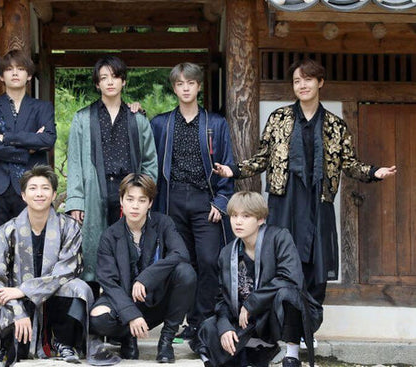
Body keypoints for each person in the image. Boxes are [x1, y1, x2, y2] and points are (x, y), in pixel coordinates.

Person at [213, 58, 396, 308]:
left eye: (307, 79)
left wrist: (374, 172)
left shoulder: (335, 125)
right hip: (284, 198)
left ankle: (308, 324)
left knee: (315, 260)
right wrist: (232, 171)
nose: (302, 85)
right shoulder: (279, 118)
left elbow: (349, 163)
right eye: (297, 81)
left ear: (320, 82)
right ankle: (283, 324)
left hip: (318, 199)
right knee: (281, 259)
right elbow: (263, 158)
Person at [0, 165, 93, 367]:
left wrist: (23, 290)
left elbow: (67, 271)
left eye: (45, 188)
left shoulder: (69, 227)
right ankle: (2, 349)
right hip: (17, 303)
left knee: (79, 288)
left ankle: (62, 343)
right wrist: (17, 308)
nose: (39, 193)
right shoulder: (7, 231)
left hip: (53, 298)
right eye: (33, 188)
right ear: (24, 195)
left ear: (53, 194)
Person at [150, 62, 235, 343]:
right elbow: (149, 162)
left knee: (209, 259)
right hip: (171, 198)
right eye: (180, 84)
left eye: (191, 83)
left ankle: (202, 321)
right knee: (180, 262)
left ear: (199, 86)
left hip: (204, 199)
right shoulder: (161, 123)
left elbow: (226, 165)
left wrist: (221, 201)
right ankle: (179, 321)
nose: (185, 88)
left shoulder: (216, 123)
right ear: (174, 88)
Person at [66, 55, 158, 297]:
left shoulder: (137, 118)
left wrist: (143, 195)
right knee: (93, 253)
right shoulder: (83, 118)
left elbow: (150, 161)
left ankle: (125, 318)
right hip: (95, 189)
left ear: (123, 82)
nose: (110, 82)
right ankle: (96, 314)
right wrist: (75, 200)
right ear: (97, 84)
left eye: (115, 77)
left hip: (129, 192)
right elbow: (75, 162)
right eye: (103, 78)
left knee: (128, 251)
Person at [197, 191, 323, 367]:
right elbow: (221, 299)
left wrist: (252, 303)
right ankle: (256, 348)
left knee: (288, 294)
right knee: (208, 328)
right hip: (247, 321)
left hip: (274, 314)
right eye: (234, 216)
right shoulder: (227, 253)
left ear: (260, 219)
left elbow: (291, 279)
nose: (238, 221)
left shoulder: (279, 238)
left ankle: (292, 356)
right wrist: (224, 326)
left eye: (246, 216)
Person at [88, 173, 196, 364]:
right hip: (124, 300)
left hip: (156, 299)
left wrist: (145, 278)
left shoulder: (163, 223)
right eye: (130, 199)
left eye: (142, 200)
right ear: (122, 201)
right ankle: (128, 337)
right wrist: (131, 314)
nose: (135, 206)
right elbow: (109, 283)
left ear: (150, 203)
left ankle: (166, 341)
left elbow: (181, 253)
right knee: (98, 318)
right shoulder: (110, 236)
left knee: (186, 273)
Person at [0, 49, 56, 248]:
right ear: (1, 76)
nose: (15, 73)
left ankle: (29, 280)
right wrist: (28, 148)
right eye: (9, 69)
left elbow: (47, 140)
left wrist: (7, 138)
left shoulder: (42, 108)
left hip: (30, 182)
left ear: (29, 75)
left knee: (32, 240)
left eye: (20, 68)